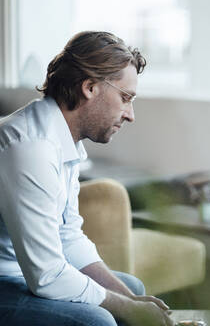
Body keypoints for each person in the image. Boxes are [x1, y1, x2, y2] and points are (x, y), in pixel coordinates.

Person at [0, 31, 173, 326]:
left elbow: (68, 237)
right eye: (125, 98)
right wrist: (127, 309)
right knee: (98, 320)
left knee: (134, 291)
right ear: (90, 87)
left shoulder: (65, 140)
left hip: (24, 272)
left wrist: (130, 300)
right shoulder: (30, 148)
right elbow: (47, 275)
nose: (130, 114)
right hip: (6, 279)